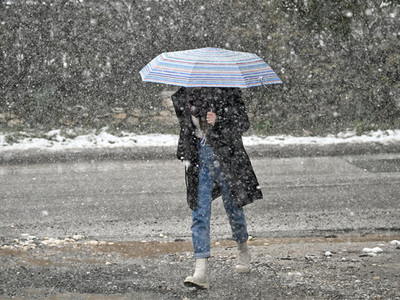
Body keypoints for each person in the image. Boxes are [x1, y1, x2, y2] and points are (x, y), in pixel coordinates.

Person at [171, 87, 263, 289]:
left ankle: (242, 248)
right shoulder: (184, 97)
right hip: (199, 161)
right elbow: (186, 130)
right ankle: (200, 271)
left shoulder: (226, 92)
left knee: (233, 207)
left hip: (226, 156)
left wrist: (219, 119)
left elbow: (243, 123)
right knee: (199, 212)